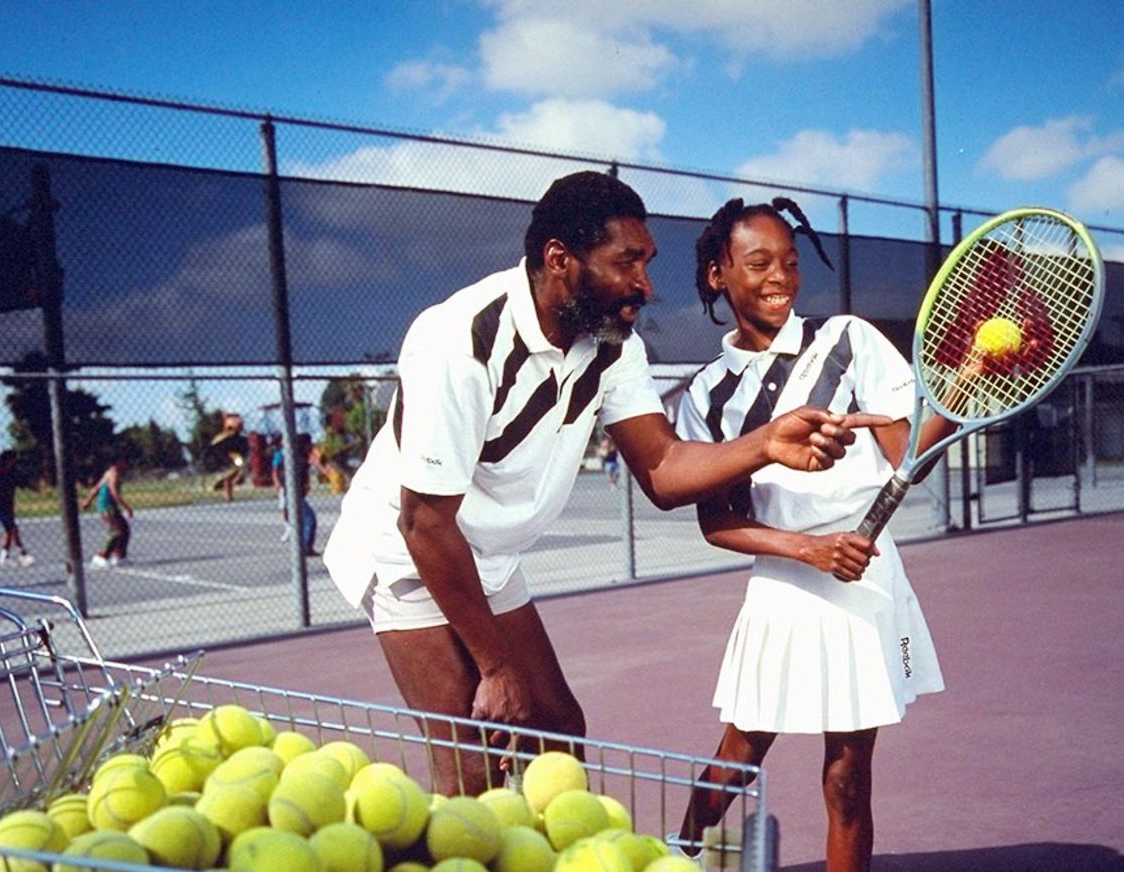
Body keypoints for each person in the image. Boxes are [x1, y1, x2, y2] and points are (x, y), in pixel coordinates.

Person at [323, 172, 890, 796]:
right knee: (470, 757)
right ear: (559, 260)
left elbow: (663, 470)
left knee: (557, 731)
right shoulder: (458, 342)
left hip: (487, 552)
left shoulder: (613, 345)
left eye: (646, 263)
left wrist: (764, 444)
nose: (645, 285)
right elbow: (423, 523)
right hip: (408, 551)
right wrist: (496, 667)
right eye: (628, 263)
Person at [673, 197, 961, 872]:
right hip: (786, 581)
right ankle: (676, 866)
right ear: (720, 274)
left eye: (790, 262)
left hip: (864, 582)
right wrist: (806, 547)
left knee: (846, 776)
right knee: (736, 751)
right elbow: (716, 521)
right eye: (758, 263)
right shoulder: (704, 395)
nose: (778, 278)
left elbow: (922, 438)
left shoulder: (849, 340)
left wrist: (919, 419)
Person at [83, 455, 133, 567]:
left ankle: (120, 557)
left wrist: (88, 500)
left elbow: (96, 488)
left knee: (124, 530)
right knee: (117, 531)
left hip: (111, 506)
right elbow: (114, 492)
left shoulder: (109, 473)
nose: (126, 464)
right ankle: (101, 556)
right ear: (119, 461)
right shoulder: (113, 473)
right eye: (125, 461)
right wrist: (126, 507)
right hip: (107, 506)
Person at [0, 451, 34, 567]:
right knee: (10, 528)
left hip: (7, 505)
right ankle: (5, 556)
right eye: (13, 459)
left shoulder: (12, 472)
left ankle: (22, 553)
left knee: (13, 529)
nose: (15, 461)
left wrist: (34, 487)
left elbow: (23, 483)